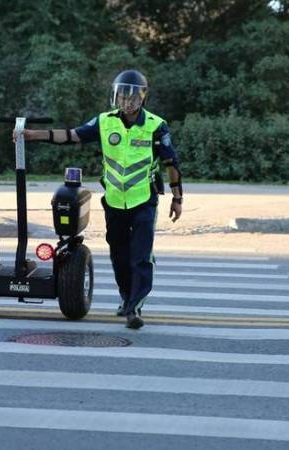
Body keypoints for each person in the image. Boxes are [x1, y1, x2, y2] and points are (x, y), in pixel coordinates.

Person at [14, 69, 183, 329]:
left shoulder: (156, 126)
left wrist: (177, 197)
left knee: (141, 256)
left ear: (143, 98)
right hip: (114, 201)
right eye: (123, 96)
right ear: (115, 97)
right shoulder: (104, 122)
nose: (128, 102)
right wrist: (34, 135)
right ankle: (127, 297)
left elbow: (171, 162)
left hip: (144, 200)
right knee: (119, 255)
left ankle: (135, 307)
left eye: (134, 97)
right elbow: (72, 135)